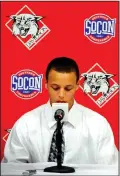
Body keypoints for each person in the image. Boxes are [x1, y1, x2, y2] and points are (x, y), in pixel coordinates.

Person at [3, 57, 118, 164]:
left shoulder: (98, 125)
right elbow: (12, 169)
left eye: (68, 88)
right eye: (55, 88)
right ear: (46, 85)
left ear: (77, 86)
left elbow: (110, 169)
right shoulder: (25, 124)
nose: (61, 95)